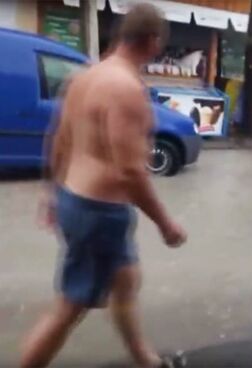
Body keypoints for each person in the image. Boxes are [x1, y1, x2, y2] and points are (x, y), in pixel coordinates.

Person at [21, 4, 187, 368]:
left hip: (74, 199)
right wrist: (166, 224)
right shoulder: (126, 89)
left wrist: (52, 192)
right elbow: (131, 172)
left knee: (126, 280)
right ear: (154, 41)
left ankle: (147, 361)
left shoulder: (86, 77)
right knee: (70, 306)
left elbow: (59, 137)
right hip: (99, 213)